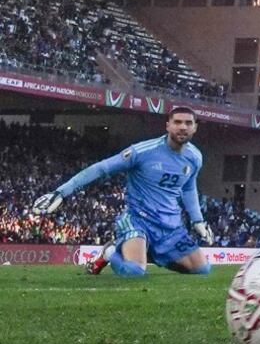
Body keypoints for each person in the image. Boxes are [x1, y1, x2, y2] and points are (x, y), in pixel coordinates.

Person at [31, 107, 213, 277]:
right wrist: (61, 192)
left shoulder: (195, 157)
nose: (183, 127)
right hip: (138, 220)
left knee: (202, 270)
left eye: (188, 123)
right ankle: (110, 253)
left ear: (195, 127)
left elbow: (188, 187)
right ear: (167, 126)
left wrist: (198, 220)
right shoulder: (143, 151)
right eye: (178, 122)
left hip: (171, 226)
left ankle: (149, 253)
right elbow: (102, 168)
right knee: (134, 272)